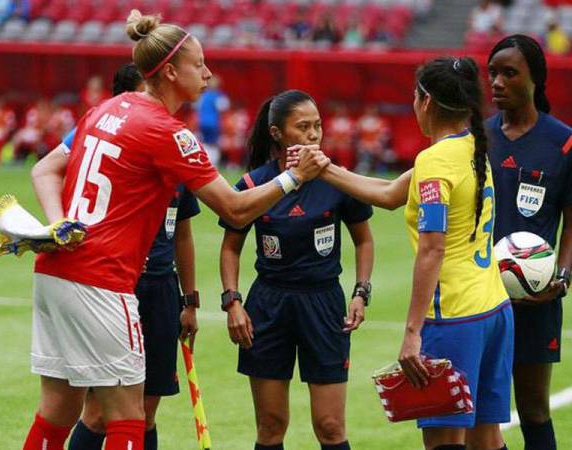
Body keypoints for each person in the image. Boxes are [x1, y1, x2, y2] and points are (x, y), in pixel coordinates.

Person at [24, 10, 327, 450]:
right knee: (130, 415)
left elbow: (45, 169)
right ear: (169, 71)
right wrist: (293, 178)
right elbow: (235, 209)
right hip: (103, 280)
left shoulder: (105, 109)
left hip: (54, 270)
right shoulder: (169, 133)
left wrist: (58, 225)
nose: (208, 72)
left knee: (57, 409)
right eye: (198, 64)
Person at [296, 57, 513, 450]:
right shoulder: (473, 145)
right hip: (494, 310)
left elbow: (432, 248)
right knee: (487, 438)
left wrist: (412, 333)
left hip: (453, 317)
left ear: (425, 101)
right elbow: (391, 194)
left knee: (445, 442)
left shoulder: (434, 161)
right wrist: (325, 169)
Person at [34, 63, 192, 450]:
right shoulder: (115, 124)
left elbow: (184, 229)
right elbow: (234, 207)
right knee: (115, 413)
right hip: (109, 279)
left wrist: (190, 298)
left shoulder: (144, 131)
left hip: (149, 284)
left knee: (127, 408)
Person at [219, 90, 374, 450]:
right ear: (277, 133)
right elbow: (231, 247)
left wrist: (361, 292)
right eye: (302, 127)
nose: (313, 135)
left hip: (324, 303)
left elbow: (364, 241)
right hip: (269, 306)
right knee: (271, 426)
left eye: (317, 126)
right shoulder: (254, 184)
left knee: (331, 426)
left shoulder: (340, 181)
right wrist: (233, 303)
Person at [486, 34, 572, 450]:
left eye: (508, 73)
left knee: (534, 409)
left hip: (538, 299)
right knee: (481, 412)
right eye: (492, 74)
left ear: (535, 78)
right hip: (479, 297)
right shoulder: (477, 138)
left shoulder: (564, 143)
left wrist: (563, 277)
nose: (497, 82)